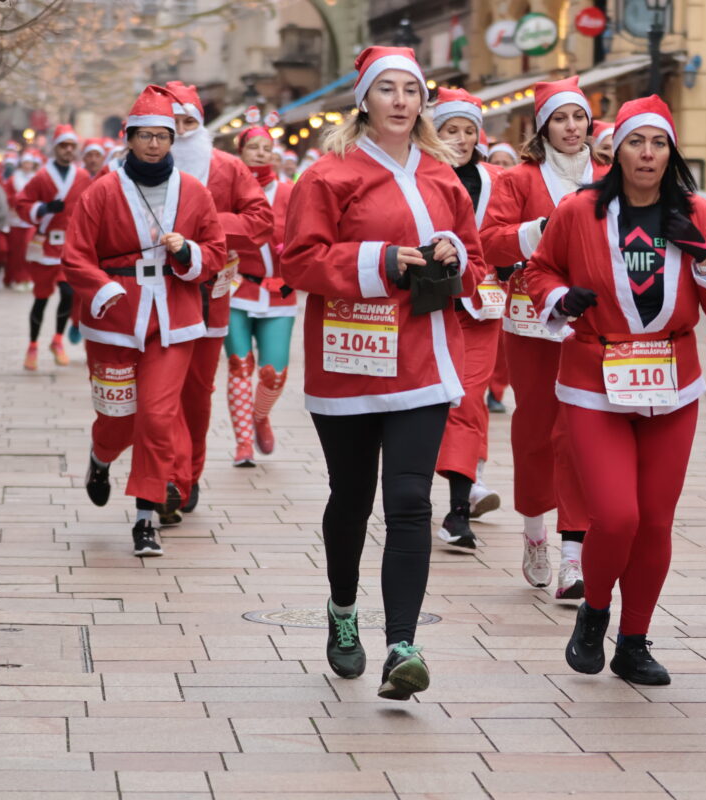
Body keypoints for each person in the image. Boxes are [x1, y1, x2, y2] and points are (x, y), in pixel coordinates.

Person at [281, 46, 485, 700]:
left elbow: (475, 265)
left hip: (423, 358)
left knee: (407, 500)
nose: (401, 100)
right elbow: (300, 262)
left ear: (423, 102)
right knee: (352, 497)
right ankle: (344, 615)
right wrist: (381, 261)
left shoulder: (444, 176)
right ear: (364, 99)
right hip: (349, 357)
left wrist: (454, 256)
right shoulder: (328, 174)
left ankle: (403, 645)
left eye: (411, 90)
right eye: (387, 89)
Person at [524, 95, 706, 685]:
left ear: (672, 152)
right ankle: (595, 614)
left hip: (673, 380)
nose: (647, 154)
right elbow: (540, 270)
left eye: (658, 143)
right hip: (595, 377)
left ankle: (635, 640)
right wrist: (558, 300)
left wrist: (701, 254)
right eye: (635, 142)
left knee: (655, 523)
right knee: (617, 516)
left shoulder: (698, 212)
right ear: (614, 149)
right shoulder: (579, 211)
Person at [60, 85, 225, 557]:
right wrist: (103, 287)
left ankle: (146, 517)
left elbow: (214, 251)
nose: (154, 144)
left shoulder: (194, 192)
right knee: (117, 417)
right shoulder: (102, 191)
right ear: (127, 138)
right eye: (144, 136)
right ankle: (100, 456)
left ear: (173, 140)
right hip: (115, 316)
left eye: (162, 136)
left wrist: (189, 252)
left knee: (157, 416)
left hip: (174, 317)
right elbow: (75, 256)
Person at [480, 76, 607, 598]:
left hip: (593, 325)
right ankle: (535, 533)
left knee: (578, 436)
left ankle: (573, 557)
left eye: (578, 117)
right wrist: (541, 228)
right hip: (532, 325)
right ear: (543, 128)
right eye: (560, 118)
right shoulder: (518, 179)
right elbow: (490, 242)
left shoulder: (609, 174)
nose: (571, 127)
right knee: (535, 434)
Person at [166, 81, 273, 508]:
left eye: (188, 122)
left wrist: (209, 228)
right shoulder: (131, 167)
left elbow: (260, 218)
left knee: (196, 390)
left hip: (212, 294)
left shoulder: (229, 167)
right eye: (169, 124)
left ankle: (188, 477)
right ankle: (169, 478)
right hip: (156, 296)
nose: (180, 131)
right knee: (161, 389)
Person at [428, 88, 512, 558]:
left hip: (482, 308)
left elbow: (515, 231)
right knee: (427, 402)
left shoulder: (499, 179)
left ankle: (459, 508)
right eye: (450, 130)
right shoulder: (418, 178)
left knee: (467, 398)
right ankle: (424, 489)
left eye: (467, 130)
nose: (460, 139)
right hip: (429, 306)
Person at [224, 124, 296, 466]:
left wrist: (294, 248)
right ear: (241, 152)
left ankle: (259, 415)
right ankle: (243, 445)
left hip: (279, 291)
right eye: (253, 147)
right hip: (238, 289)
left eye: (267, 147)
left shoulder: (290, 192)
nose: (261, 153)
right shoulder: (227, 191)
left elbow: (308, 233)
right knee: (239, 366)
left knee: (274, 372)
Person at [16, 125, 93, 370]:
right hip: (45, 244)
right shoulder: (41, 177)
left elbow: (90, 207)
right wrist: (44, 209)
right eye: (63, 145)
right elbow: (22, 203)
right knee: (41, 298)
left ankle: (58, 340)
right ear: (55, 147)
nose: (68, 150)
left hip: (69, 246)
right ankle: (32, 345)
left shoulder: (81, 177)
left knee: (69, 293)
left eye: (71, 146)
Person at [2, 151, 38, 292]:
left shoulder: (35, 178)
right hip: (16, 220)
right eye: (25, 163)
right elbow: (8, 196)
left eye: (29, 163)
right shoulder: (13, 179)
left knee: (28, 249)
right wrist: (17, 202)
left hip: (30, 221)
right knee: (16, 252)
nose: (27, 166)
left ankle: (27, 277)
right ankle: (14, 277)